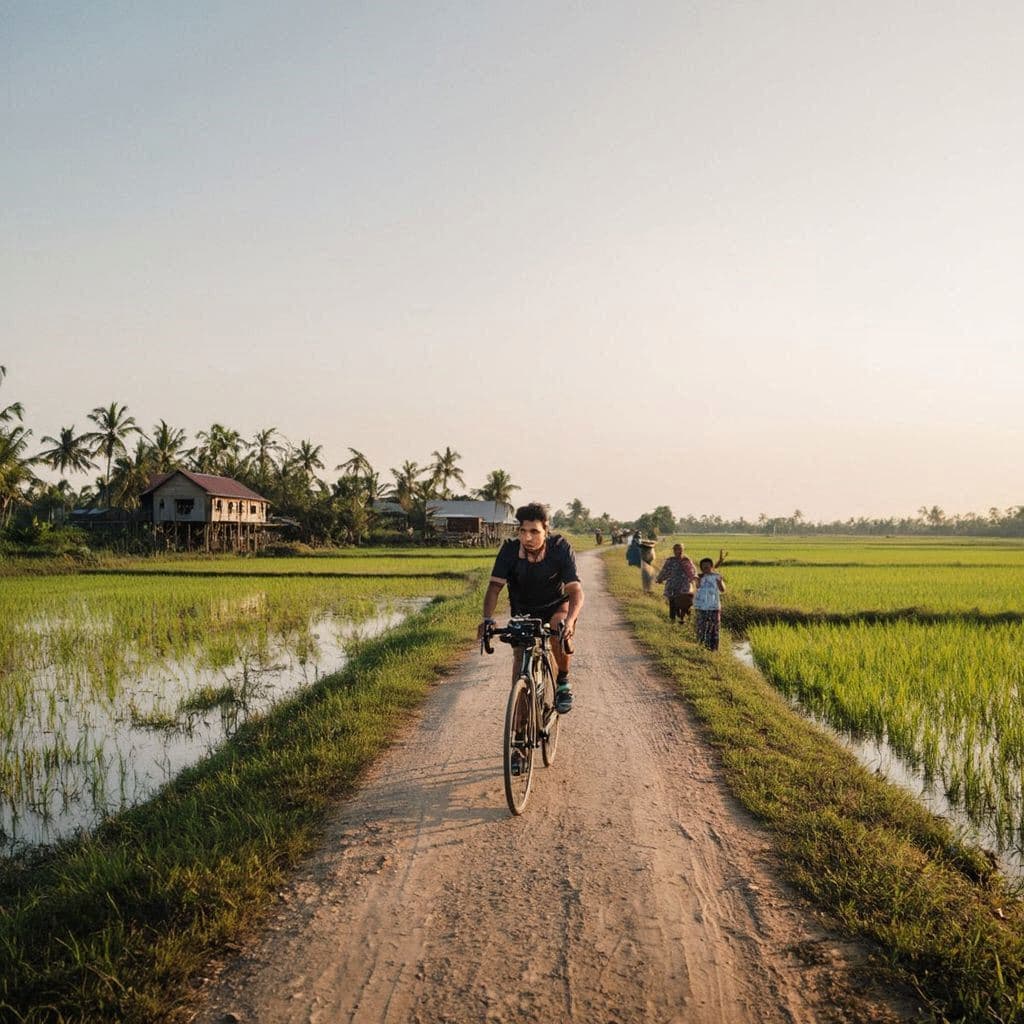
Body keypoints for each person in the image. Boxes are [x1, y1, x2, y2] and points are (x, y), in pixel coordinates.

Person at [479, 503, 585, 713]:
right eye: (523, 531)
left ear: (546, 530)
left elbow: (575, 591)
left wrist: (570, 622)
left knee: (558, 627)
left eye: (534, 531)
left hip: (556, 606)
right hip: (523, 610)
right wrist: (487, 619)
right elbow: (494, 588)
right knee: (520, 665)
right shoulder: (509, 550)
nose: (527, 537)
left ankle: (563, 682)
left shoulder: (560, 548)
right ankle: (519, 727)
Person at [655, 543, 697, 623]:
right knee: (673, 603)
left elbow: (693, 571)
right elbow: (665, 571)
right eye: (676, 549)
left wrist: (694, 579)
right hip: (672, 586)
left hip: (684, 585)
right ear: (673, 551)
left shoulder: (687, 560)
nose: (678, 551)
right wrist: (660, 578)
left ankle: (684, 619)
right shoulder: (670, 561)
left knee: (684, 603)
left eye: (680, 549)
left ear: (683, 550)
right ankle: (673, 620)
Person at [694, 557, 726, 651]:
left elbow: (722, 590)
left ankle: (713, 650)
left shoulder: (717, 576)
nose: (705, 569)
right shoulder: (699, 576)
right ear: (701, 568)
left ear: (712, 567)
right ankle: (701, 648)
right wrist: (698, 580)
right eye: (703, 567)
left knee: (714, 629)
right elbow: (697, 587)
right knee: (701, 628)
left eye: (707, 567)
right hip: (701, 607)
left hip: (714, 607)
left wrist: (719, 582)